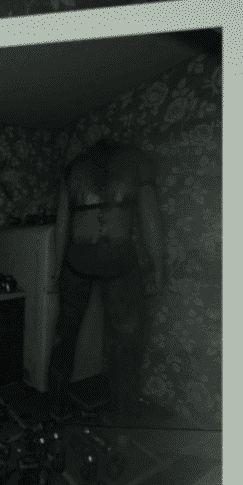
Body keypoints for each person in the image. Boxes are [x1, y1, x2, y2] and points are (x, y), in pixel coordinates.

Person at [47, 139, 166, 424]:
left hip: (99, 261)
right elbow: (150, 219)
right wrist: (158, 267)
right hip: (100, 261)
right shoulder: (130, 162)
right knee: (119, 342)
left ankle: (64, 408)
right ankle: (120, 416)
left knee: (74, 336)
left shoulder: (78, 168)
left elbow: (63, 225)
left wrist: (57, 270)